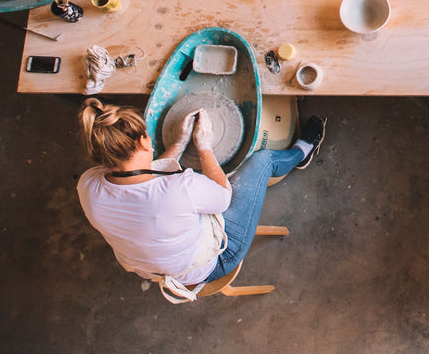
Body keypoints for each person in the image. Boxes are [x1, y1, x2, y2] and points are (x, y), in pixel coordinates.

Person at [76, 97, 326, 302]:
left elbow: (139, 178)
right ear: (144, 140)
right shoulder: (180, 188)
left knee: (192, 192)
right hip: (215, 262)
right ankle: (301, 153)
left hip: (155, 270)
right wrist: (204, 147)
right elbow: (223, 197)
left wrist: (179, 143)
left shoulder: (87, 184)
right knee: (262, 162)